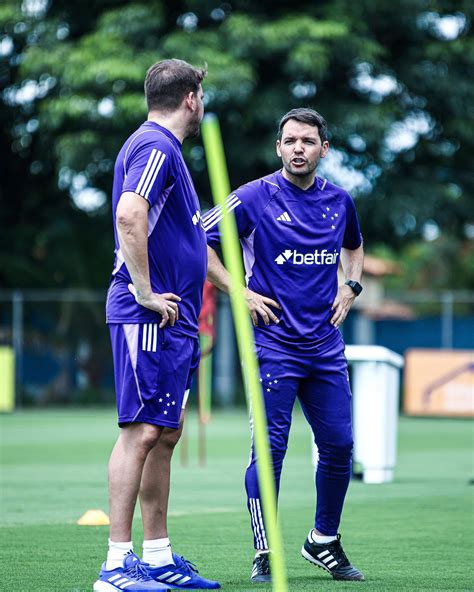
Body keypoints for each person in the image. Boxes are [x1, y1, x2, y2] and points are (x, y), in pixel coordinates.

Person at [204, 108, 365, 583]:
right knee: (269, 451)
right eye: (290, 140)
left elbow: (354, 247)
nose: (299, 148)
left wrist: (350, 288)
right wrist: (241, 291)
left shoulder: (340, 201)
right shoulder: (252, 197)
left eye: (308, 141)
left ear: (324, 149)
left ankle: (323, 541)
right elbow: (199, 239)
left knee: (340, 445)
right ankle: (264, 549)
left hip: (325, 347)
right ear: (279, 148)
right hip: (272, 346)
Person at [95, 59, 220, 592]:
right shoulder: (156, 146)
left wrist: (236, 290)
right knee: (141, 431)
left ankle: (159, 556)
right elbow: (129, 214)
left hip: (177, 322)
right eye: (202, 93)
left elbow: (192, 241)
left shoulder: (168, 153)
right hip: (148, 313)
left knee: (164, 435)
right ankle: (116, 567)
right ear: (192, 98)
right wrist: (144, 291)